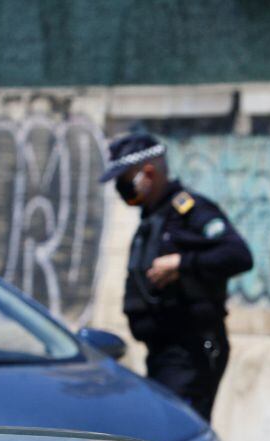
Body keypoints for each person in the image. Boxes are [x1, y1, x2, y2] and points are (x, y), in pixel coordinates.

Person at [99, 132, 253, 422]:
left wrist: (182, 263)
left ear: (148, 172)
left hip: (192, 350)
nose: (121, 188)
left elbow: (239, 255)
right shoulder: (153, 217)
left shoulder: (190, 211)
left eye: (124, 178)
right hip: (163, 352)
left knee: (179, 438)